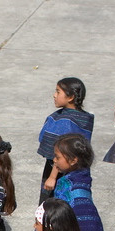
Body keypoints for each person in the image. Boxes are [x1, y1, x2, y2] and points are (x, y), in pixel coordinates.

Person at [37, 77, 94, 205]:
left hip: (58, 171)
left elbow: (61, 154)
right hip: (80, 170)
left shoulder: (64, 121)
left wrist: (52, 177)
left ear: (70, 97)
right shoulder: (85, 118)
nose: (54, 95)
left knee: (54, 205)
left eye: (58, 92)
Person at [50, 134, 105, 231]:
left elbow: (85, 228)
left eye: (58, 157)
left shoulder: (78, 191)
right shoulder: (71, 179)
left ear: (73, 160)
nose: (54, 160)